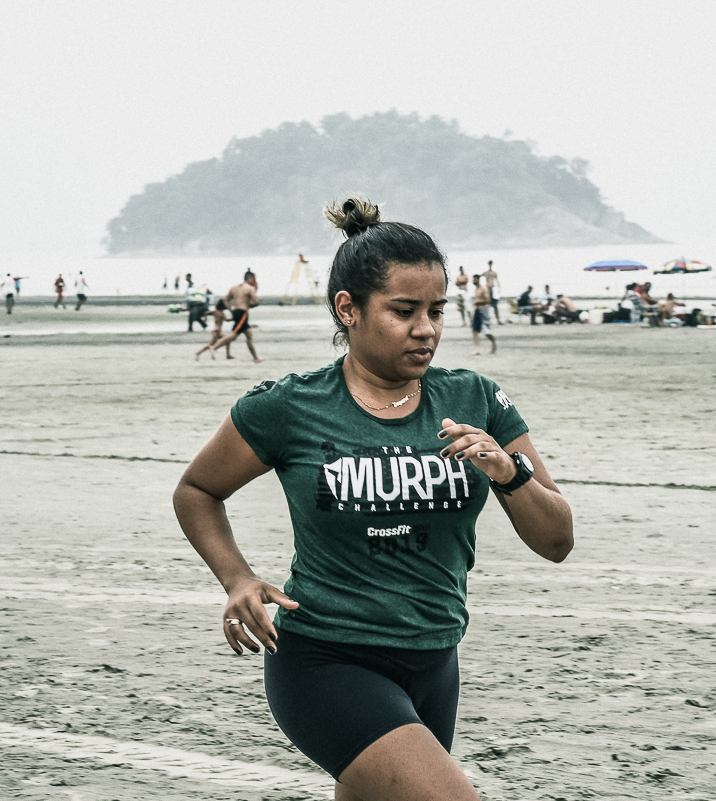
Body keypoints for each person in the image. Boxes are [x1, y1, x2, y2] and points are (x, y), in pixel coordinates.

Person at [173, 197, 573, 801]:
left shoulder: (476, 399)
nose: (428, 329)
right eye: (404, 311)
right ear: (348, 309)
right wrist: (237, 578)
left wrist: (506, 470)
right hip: (324, 660)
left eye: (438, 310)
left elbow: (557, 541)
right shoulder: (290, 406)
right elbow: (197, 490)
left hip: (435, 658)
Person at [209, 270, 263, 363]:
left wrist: (231, 310)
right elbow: (256, 302)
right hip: (243, 313)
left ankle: (256, 358)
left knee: (249, 335)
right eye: (253, 279)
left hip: (237, 312)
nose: (253, 281)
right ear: (249, 278)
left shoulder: (234, 287)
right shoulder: (250, 288)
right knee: (233, 335)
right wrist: (248, 305)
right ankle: (214, 347)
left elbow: (226, 300)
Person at [470, 274, 497, 355]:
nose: (473, 281)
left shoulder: (483, 288)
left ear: (478, 280)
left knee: (487, 332)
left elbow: (488, 300)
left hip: (484, 310)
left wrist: (477, 302)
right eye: (473, 279)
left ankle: (493, 342)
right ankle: (477, 349)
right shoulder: (475, 289)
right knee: (475, 330)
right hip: (477, 310)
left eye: (474, 279)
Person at [482, 260, 501, 324]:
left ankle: (498, 320)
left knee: (494, 305)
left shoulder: (494, 273)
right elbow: (479, 276)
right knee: (487, 305)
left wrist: (498, 288)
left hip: (492, 288)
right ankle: (487, 319)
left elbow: (497, 280)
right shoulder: (486, 273)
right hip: (488, 288)